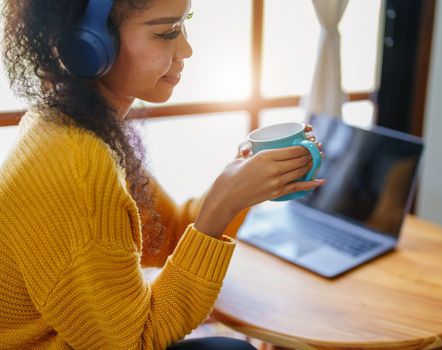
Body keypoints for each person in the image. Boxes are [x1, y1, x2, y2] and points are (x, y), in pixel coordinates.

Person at [0, 0, 325, 349]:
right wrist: (221, 206)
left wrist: (237, 187)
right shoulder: (77, 165)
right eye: (166, 32)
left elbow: (165, 233)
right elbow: (137, 341)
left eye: (185, 25)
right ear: (89, 44)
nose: (186, 48)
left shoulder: (77, 124)